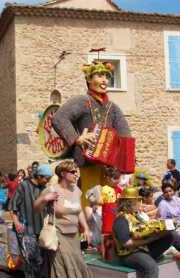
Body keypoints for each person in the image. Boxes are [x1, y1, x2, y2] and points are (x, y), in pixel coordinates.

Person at [52, 60, 134, 206]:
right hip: (86, 163)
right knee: (90, 201)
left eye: (107, 76)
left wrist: (127, 163)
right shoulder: (82, 101)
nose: (104, 80)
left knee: (108, 200)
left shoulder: (112, 107)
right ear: (89, 79)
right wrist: (77, 139)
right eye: (100, 76)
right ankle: (85, 229)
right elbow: (59, 118)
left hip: (108, 166)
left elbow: (125, 134)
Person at [34, 161, 97, 278]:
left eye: (77, 171)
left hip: (73, 236)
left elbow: (79, 211)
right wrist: (45, 198)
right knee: (61, 266)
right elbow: (36, 208)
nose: (76, 174)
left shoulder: (76, 190)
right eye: (73, 172)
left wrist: (86, 228)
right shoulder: (52, 189)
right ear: (63, 174)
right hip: (58, 235)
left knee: (76, 264)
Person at [8, 164, 55, 278]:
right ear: (39, 176)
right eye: (46, 178)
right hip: (26, 228)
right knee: (29, 259)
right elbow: (13, 206)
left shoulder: (45, 188)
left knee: (39, 260)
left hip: (42, 230)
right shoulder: (23, 186)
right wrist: (16, 223)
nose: (48, 181)